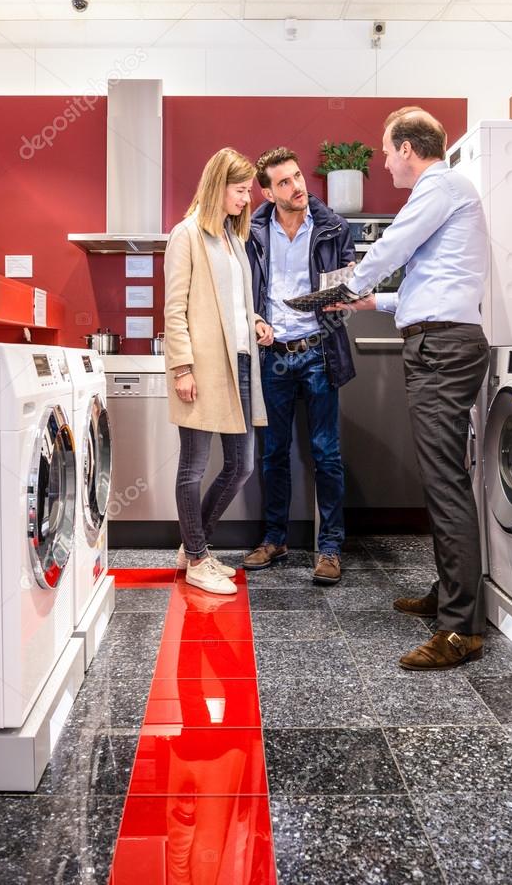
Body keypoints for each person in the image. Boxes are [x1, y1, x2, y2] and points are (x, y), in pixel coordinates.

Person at [330, 107, 490, 668]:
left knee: (445, 482)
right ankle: (451, 596)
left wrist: (346, 284)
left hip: (443, 348)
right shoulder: (447, 192)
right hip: (439, 341)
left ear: (406, 147)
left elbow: (394, 246)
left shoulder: (439, 185)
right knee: (442, 477)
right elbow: (431, 283)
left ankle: (461, 629)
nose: (382, 161)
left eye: (385, 150)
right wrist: (373, 301)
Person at [164, 147, 274, 595]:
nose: (247, 199)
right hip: (203, 367)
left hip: (241, 364)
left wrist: (256, 322)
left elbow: (234, 306)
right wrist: (182, 368)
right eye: (241, 190)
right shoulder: (186, 234)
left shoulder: (232, 237)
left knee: (241, 465)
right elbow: (174, 309)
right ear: (218, 186)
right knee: (194, 466)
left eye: (248, 191)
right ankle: (197, 558)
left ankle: (196, 545)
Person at [244, 147, 356, 584]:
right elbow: (245, 289)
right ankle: (275, 538)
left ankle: (329, 547)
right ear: (269, 192)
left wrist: (343, 295)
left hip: (318, 350)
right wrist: (255, 321)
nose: (297, 187)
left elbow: (345, 291)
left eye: (297, 176)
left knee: (326, 453)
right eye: (285, 182)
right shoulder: (251, 232)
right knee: (273, 454)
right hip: (273, 354)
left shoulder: (332, 228)